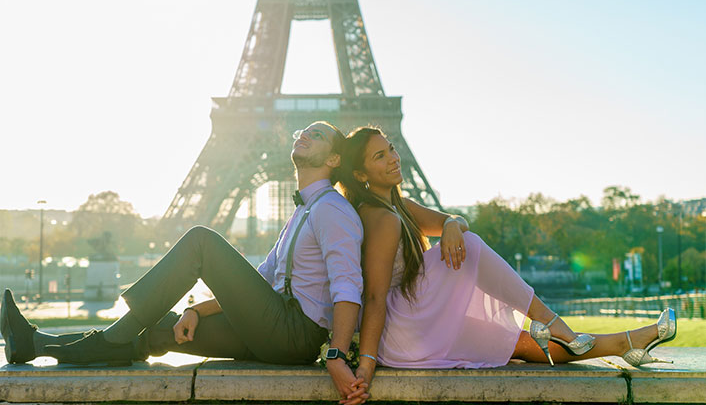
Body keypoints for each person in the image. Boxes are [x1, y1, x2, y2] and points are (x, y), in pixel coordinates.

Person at [0, 121, 369, 402]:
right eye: (304, 131)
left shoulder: (332, 210)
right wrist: (198, 312)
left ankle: (114, 336)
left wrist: (335, 355)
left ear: (334, 160)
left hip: (295, 333)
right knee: (159, 329)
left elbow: (347, 286)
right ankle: (34, 343)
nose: (304, 134)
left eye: (317, 135)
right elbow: (257, 283)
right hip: (272, 328)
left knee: (200, 242)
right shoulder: (302, 214)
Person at [336, 126, 677, 403]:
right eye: (380, 156)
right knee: (469, 245)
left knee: (515, 344)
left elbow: (456, 220)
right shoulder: (378, 217)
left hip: (418, 321)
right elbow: (376, 297)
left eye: (391, 148)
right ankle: (550, 319)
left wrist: (452, 223)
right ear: (360, 172)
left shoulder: (400, 206)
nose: (393, 158)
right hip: (401, 330)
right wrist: (366, 367)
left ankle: (625, 343)